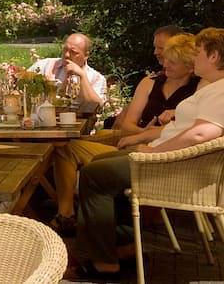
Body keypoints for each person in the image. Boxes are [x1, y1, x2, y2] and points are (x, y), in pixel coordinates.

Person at [73, 28, 224, 278]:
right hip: (169, 159)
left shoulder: (220, 90)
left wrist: (154, 153)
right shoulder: (213, 86)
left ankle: (104, 262)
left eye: (198, 53)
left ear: (214, 56)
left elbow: (201, 134)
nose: (193, 58)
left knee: (93, 174)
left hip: (170, 166)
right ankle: (121, 245)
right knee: (100, 163)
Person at [49, 34, 199, 235]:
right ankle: (66, 214)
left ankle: (80, 221)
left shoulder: (198, 91)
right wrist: (145, 132)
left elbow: (190, 132)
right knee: (65, 146)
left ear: (191, 67)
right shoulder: (151, 82)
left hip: (155, 154)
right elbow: (127, 126)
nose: (165, 64)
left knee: (75, 156)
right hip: (133, 141)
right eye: (166, 59)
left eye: (173, 61)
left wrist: (148, 135)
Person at [28, 33, 106, 112]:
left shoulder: (97, 78)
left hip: (79, 121)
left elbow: (95, 105)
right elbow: (21, 81)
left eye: (73, 52)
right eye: (65, 49)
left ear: (86, 55)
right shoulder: (45, 65)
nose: (67, 55)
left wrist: (82, 76)